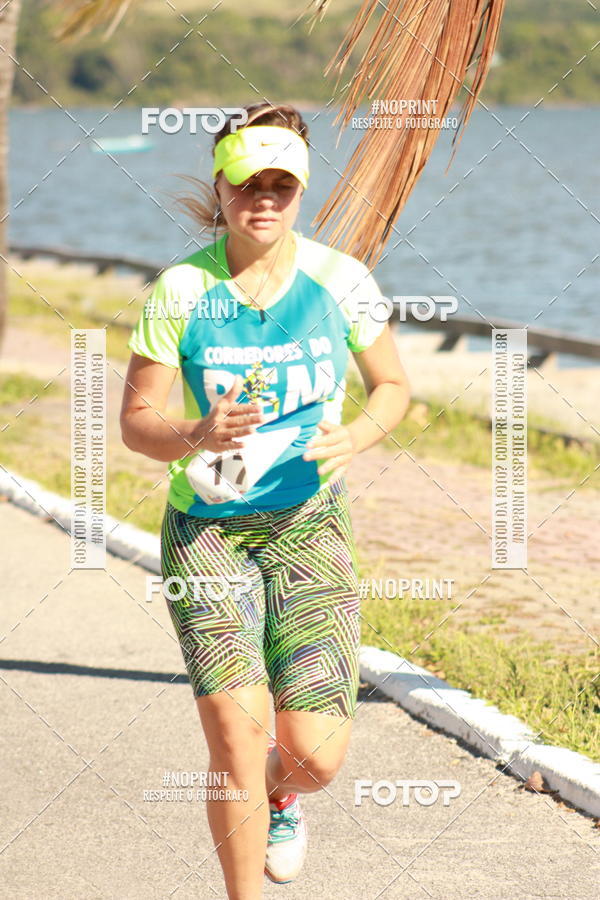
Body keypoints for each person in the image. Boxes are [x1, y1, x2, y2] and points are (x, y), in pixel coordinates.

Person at [120, 101, 410, 899]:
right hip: (208, 533)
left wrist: (358, 435)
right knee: (235, 743)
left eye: (282, 185)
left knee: (314, 756)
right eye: (249, 183)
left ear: (301, 191)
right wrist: (196, 431)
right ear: (220, 186)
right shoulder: (181, 290)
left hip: (309, 527)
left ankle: (282, 794)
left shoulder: (341, 280)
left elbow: (392, 385)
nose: (265, 200)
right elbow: (137, 424)